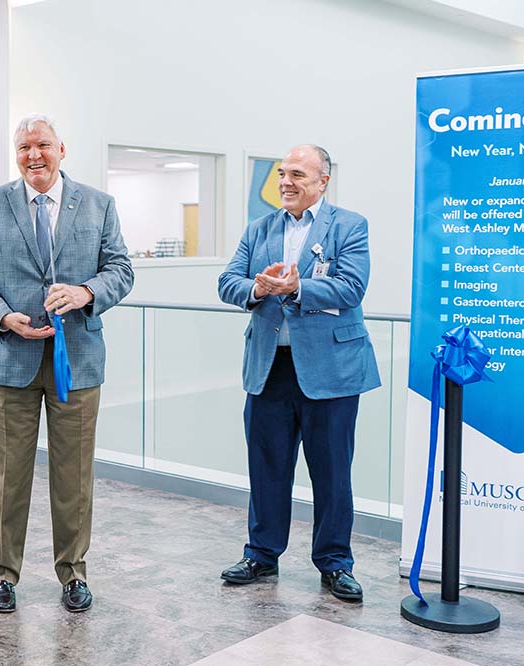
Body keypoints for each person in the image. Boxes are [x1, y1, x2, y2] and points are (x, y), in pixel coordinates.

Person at [0, 113, 133, 614]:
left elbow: (121, 269)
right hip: (9, 358)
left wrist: (84, 292)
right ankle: (1, 575)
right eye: (23, 147)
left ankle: (73, 573)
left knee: (73, 475)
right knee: (5, 477)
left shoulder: (99, 205)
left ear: (62, 149)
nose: (32, 155)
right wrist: (3, 316)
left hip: (76, 359)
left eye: (42, 145)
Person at [217, 145, 380, 601]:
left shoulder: (349, 225)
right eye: (282, 173)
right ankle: (261, 554)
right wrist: (257, 286)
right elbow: (227, 281)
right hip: (269, 368)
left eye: (298, 174)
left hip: (331, 371)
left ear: (323, 181)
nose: (286, 181)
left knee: (332, 472)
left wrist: (297, 286)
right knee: (266, 468)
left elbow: (351, 286)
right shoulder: (259, 229)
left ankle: (334, 563)